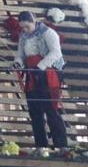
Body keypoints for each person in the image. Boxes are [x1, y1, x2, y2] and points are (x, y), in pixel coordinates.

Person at [13, 11, 68, 148]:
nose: (25, 30)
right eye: (22, 27)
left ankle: (61, 146)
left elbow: (56, 52)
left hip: (47, 73)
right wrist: (18, 63)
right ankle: (41, 146)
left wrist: (40, 66)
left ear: (34, 21)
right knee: (35, 112)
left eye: (27, 26)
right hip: (32, 75)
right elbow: (20, 54)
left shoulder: (48, 33)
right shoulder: (23, 36)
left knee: (51, 110)